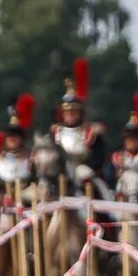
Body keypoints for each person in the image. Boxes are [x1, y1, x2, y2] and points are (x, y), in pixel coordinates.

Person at [51, 59, 108, 190]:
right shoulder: (55, 133)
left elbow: (99, 157)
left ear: (80, 113)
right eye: (67, 112)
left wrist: (89, 168)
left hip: (86, 179)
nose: (70, 115)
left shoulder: (91, 133)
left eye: (73, 111)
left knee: (101, 192)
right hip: (60, 180)